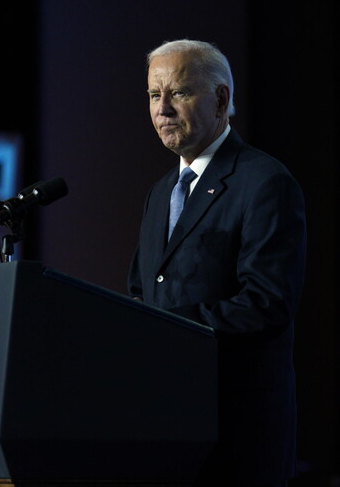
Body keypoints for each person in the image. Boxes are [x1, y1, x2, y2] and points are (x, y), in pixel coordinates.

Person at [127, 39, 307, 486]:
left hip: (236, 438)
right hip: (166, 432)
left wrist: (165, 328)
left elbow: (266, 305)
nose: (163, 109)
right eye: (154, 95)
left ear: (221, 99)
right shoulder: (161, 192)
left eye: (179, 93)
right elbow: (140, 292)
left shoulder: (263, 181)